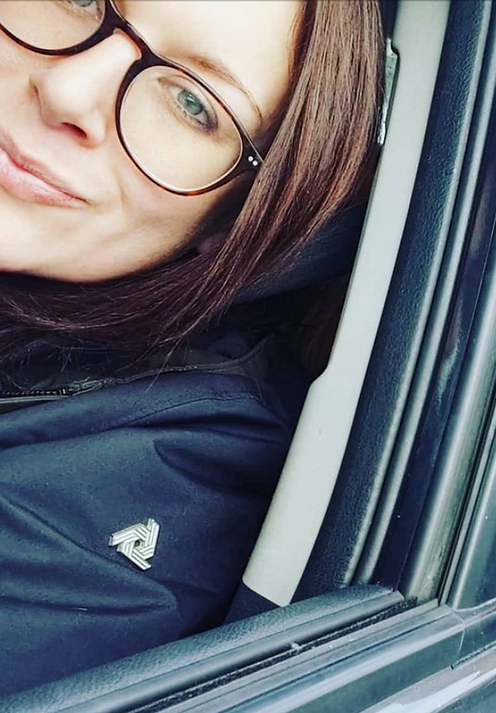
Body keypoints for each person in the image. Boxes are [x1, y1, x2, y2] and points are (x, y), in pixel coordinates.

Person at [0, 0, 383, 696]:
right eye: (80, 0)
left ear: (235, 221)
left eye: (192, 104)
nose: (68, 93)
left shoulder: (163, 467)